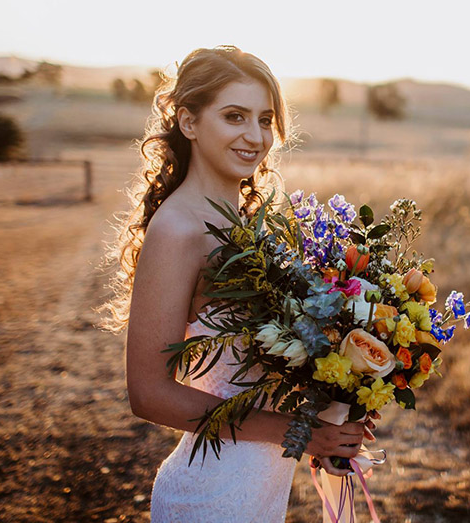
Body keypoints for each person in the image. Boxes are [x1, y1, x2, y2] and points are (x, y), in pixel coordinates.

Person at [100, 46, 375, 522]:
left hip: (261, 491)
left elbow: (278, 364)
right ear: (188, 122)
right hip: (210, 497)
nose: (256, 136)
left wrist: (338, 403)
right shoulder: (178, 231)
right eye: (234, 116)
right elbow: (148, 393)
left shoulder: (257, 227)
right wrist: (296, 431)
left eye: (266, 119)